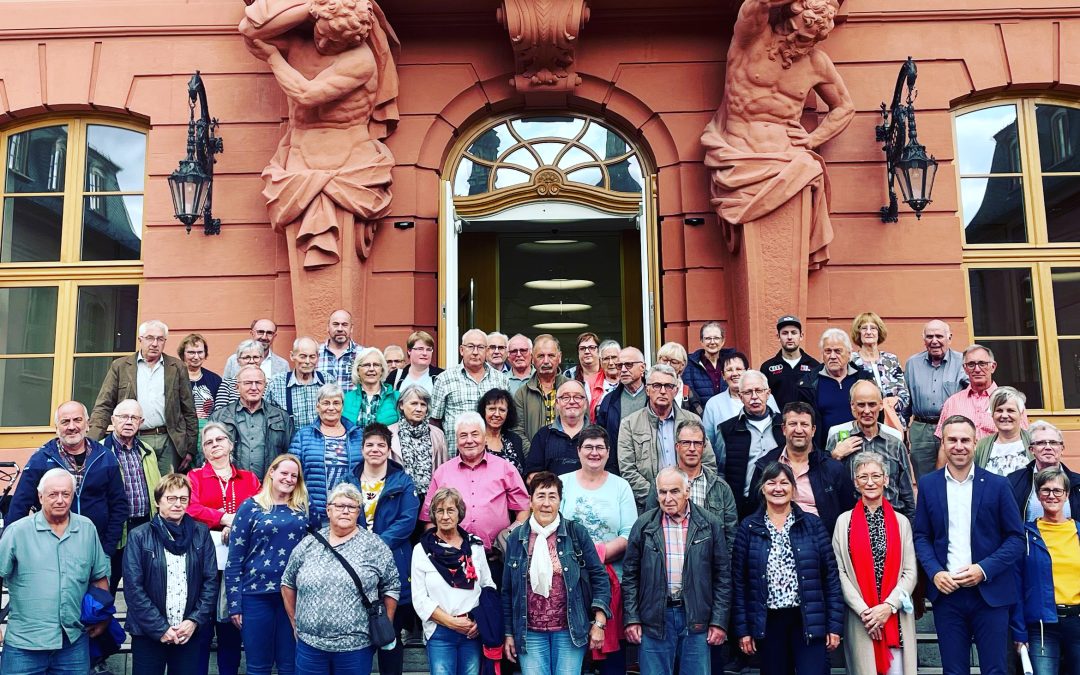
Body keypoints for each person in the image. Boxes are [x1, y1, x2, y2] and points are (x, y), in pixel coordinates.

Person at [238, 0, 398, 270]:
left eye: (333, 41)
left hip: (349, 162)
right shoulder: (299, 45)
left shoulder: (360, 61)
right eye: (320, 32)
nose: (323, 43)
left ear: (352, 41)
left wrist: (274, 58)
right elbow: (248, 29)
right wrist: (312, 6)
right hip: (297, 157)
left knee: (336, 259)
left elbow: (307, 95)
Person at [702, 0, 853, 267]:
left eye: (812, 40)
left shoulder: (817, 62)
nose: (801, 44)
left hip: (789, 160)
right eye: (799, 34)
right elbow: (759, 2)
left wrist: (814, 139)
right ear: (786, 17)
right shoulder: (751, 39)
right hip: (740, 156)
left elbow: (844, 107)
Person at [913, 414, 1025, 675]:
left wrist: (983, 569)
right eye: (952, 440)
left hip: (990, 593)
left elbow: (1016, 539)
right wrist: (935, 572)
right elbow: (921, 536)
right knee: (953, 671)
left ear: (976, 442)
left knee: (995, 670)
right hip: (947, 594)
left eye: (965, 440)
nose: (959, 446)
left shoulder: (998, 485)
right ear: (943, 443)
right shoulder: (929, 485)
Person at [731, 462, 843, 675]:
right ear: (762, 488)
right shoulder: (749, 527)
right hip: (769, 622)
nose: (778, 488)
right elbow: (739, 583)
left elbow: (830, 578)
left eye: (784, 483)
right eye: (771, 482)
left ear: (793, 488)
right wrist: (743, 630)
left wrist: (834, 626)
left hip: (808, 619)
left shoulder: (813, 524)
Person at [0, 468, 111, 675]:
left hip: (73, 643)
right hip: (24, 645)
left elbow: (99, 577)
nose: (60, 500)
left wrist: (103, 617)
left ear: (73, 496)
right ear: (40, 496)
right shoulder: (17, 532)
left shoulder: (86, 529)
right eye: (53, 494)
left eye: (65, 494)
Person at [282, 482, 402, 673]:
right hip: (310, 646)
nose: (345, 511)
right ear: (328, 510)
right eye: (339, 506)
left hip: (356, 648)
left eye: (352, 507)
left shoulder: (375, 546)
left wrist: (384, 623)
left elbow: (392, 586)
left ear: (358, 512)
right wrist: (294, 621)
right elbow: (287, 582)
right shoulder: (308, 544)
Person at [623, 467, 732, 675]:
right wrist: (632, 618)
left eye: (674, 491)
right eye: (662, 492)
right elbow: (630, 576)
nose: (668, 498)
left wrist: (719, 621)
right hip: (655, 617)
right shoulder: (643, 525)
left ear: (687, 491)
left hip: (696, 617)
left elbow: (722, 577)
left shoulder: (710, 524)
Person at [501, 472, 611, 675]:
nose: (546, 503)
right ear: (530, 501)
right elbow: (508, 591)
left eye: (552, 496)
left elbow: (599, 577)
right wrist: (508, 633)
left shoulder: (576, 533)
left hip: (569, 631)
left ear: (560, 501)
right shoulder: (516, 538)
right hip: (529, 633)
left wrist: (599, 622)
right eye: (540, 496)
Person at [831, 452, 918, 675]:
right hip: (862, 619)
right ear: (856, 482)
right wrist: (866, 613)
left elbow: (910, 573)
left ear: (886, 480)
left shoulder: (901, 522)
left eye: (876, 476)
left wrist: (888, 607)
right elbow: (839, 573)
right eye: (863, 477)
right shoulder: (843, 522)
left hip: (895, 617)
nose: (870, 482)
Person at [185, 422, 261, 675]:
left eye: (220, 440)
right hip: (203, 562)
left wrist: (237, 525)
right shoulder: (195, 477)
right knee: (203, 625)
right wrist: (223, 518)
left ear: (231, 444)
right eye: (209, 442)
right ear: (204, 450)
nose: (215, 445)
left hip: (240, 563)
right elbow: (190, 508)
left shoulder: (249, 479)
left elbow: (261, 510)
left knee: (230, 625)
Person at [7, 401, 128, 560]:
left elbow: (119, 506)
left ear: (87, 424)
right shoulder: (40, 459)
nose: (72, 427)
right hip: (49, 551)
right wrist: (12, 549)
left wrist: (107, 549)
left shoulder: (106, 457)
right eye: (65, 421)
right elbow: (19, 505)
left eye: (77, 420)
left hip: (95, 549)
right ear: (57, 427)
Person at [123, 472, 218, 675]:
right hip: (148, 634)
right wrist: (161, 628)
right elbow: (133, 588)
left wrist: (194, 621)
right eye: (171, 498)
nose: (177, 504)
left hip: (188, 632)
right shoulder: (139, 536)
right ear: (158, 502)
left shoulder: (201, 533)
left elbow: (210, 582)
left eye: (183, 499)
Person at [226, 454, 310, 675]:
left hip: (293, 595)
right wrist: (234, 604)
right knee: (258, 666)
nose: (289, 479)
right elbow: (234, 560)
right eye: (284, 473)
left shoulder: (303, 509)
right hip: (256, 595)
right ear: (271, 472)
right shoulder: (250, 507)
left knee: (290, 665)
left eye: (294, 476)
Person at [349, 423, 420, 675]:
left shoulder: (403, 481)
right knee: (357, 639)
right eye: (370, 445)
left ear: (389, 450)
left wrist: (375, 544)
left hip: (393, 564)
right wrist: (359, 545)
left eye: (381, 445)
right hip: (355, 565)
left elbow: (407, 520)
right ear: (362, 449)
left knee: (390, 636)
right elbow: (340, 516)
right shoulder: (349, 480)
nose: (375, 449)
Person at [89, 319, 198, 475]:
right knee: (137, 484)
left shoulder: (176, 367)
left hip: (169, 441)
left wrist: (190, 448)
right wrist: (92, 443)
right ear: (140, 339)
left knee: (167, 487)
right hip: (134, 439)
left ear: (165, 341)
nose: (154, 343)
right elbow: (104, 406)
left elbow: (189, 410)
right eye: (149, 338)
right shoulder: (120, 366)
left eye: (160, 339)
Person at [411, 487, 497, 675]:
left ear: (460, 513)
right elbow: (419, 598)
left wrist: (479, 620)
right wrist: (451, 622)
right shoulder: (421, 550)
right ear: (433, 515)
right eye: (439, 511)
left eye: (450, 510)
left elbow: (488, 586)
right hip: (439, 632)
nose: (445, 516)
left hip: (472, 631)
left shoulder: (475, 547)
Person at [422, 412, 531, 552]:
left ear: (485, 439)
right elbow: (428, 519)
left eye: (475, 434)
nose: (469, 440)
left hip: (496, 556)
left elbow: (523, 509)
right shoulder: (442, 472)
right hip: (452, 557)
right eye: (463, 435)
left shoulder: (505, 468)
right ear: (456, 441)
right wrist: (441, 548)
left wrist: (506, 539)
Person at [1010, 467, 1080, 675]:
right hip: (1041, 626)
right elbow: (1016, 586)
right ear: (1038, 495)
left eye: (1057, 490)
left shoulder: (1078, 531)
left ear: (1067, 495)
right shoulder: (1025, 534)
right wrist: (1019, 631)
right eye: (1046, 490)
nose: (1052, 495)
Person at [618, 364, 718, 509]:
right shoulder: (629, 424)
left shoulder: (693, 420)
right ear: (647, 389)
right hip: (649, 508)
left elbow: (708, 464)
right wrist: (660, 497)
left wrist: (686, 496)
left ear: (676, 390)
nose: (663, 391)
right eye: (657, 385)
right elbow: (628, 471)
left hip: (692, 504)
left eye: (668, 386)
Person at [748, 402, 856, 534]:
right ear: (784, 429)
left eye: (804, 424)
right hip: (774, 540)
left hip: (820, 540)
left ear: (813, 430)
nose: (798, 430)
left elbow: (848, 514)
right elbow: (753, 511)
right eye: (793, 424)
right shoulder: (765, 466)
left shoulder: (832, 468)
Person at [824, 380, 916, 519]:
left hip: (892, 519)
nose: (867, 411)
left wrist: (910, 525)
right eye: (861, 405)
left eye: (872, 404)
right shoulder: (838, 440)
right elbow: (825, 486)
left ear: (881, 405)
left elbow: (907, 493)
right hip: (852, 520)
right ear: (852, 406)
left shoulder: (895, 444)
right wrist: (834, 456)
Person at [101, 398, 162, 593]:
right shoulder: (99, 451)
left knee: (142, 588)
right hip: (114, 529)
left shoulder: (148, 451)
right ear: (113, 420)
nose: (128, 422)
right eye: (123, 417)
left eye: (134, 418)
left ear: (140, 422)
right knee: (107, 585)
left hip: (144, 527)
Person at [289, 383, 365, 524]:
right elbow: (292, 473)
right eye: (326, 403)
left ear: (342, 406)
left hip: (349, 512)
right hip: (313, 511)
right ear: (317, 406)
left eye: (336, 403)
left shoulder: (358, 435)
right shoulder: (303, 436)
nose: (331, 408)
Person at [904, 319, 967, 479]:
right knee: (924, 479)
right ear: (924, 339)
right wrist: (903, 432)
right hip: (921, 430)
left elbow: (973, 395)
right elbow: (906, 402)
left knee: (955, 476)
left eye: (939, 336)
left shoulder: (963, 362)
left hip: (953, 429)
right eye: (929, 336)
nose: (934, 341)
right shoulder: (912, 363)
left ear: (949, 338)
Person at [431, 329, 510, 455]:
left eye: (480, 347)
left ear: (486, 351)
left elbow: (507, 418)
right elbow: (435, 421)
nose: (475, 352)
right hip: (455, 455)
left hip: (492, 455)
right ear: (461, 350)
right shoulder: (444, 379)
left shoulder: (501, 380)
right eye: (471, 347)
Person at [717, 369, 785, 516]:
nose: (754, 397)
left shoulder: (783, 425)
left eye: (759, 391)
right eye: (748, 392)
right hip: (745, 506)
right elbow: (721, 472)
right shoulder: (727, 430)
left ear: (768, 393)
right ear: (740, 397)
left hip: (781, 501)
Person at [209, 365, 293, 479]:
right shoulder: (219, 417)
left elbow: (289, 456)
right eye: (248, 383)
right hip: (231, 484)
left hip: (269, 484)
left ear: (265, 386)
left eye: (258, 383)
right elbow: (208, 454)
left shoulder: (281, 417)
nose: (254, 387)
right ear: (237, 387)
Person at [795, 328, 873, 448]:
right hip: (825, 451)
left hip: (863, 448)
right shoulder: (808, 383)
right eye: (828, 351)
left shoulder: (864, 379)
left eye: (837, 351)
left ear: (849, 353)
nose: (832, 356)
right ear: (822, 354)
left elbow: (876, 415)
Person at [936, 344, 1028, 441]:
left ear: (993, 367)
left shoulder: (1012, 401)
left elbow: (1024, 438)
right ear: (965, 369)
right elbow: (943, 443)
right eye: (971, 364)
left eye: (982, 364)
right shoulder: (952, 403)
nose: (977, 369)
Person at [527, 380, 612, 477]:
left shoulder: (600, 435)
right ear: (557, 403)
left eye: (578, 397)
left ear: (585, 403)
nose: (572, 401)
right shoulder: (543, 435)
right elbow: (531, 475)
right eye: (565, 397)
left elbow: (611, 472)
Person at [389, 385, 450, 506]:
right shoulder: (389, 433)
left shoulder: (438, 435)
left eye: (423, 405)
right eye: (414, 403)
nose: (419, 409)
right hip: (399, 500)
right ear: (401, 405)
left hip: (431, 501)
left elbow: (444, 470)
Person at [1006, 421, 1080, 520]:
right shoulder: (1013, 481)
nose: (1048, 447)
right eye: (1041, 443)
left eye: (1053, 442)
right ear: (1031, 450)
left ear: (1062, 449)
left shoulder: (1077, 483)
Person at [848, 311, 910, 428]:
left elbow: (905, 396)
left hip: (893, 424)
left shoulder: (891, 360)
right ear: (858, 333)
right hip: (863, 424)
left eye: (873, 328)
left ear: (879, 332)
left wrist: (890, 404)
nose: (868, 332)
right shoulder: (851, 361)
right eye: (864, 328)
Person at [512, 334, 569, 453]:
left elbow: (584, 425)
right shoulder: (522, 393)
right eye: (541, 356)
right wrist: (534, 456)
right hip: (533, 459)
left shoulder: (573, 389)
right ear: (533, 359)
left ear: (559, 357)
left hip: (568, 458)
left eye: (551, 356)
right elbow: (517, 431)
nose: (546, 361)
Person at [702, 351, 779, 437]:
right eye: (729, 370)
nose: (734, 374)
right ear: (723, 375)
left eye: (739, 369)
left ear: (747, 371)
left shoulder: (766, 397)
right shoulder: (713, 404)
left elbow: (778, 427)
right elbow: (707, 439)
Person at [266, 336, 329, 430]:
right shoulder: (276, 383)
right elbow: (266, 417)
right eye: (302, 356)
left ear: (318, 357)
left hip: (322, 437)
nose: (307, 361)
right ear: (292, 356)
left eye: (312, 357)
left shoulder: (328, 381)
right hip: (289, 438)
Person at [759, 315, 821, 410]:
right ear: (778, 337)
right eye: (785, 333)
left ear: (801, 336)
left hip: (806, 419)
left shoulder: (814, 366)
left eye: (793, 333)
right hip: (778, 419)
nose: (789, 337)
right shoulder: (767, 368)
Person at [971, 386, 1031, 475]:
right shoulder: (981, 446)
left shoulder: (1034, 441)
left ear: (1021, 414)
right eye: (999, 410)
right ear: (992, 415)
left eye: (1010, 410)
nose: (1004, 415)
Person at [595, 346, 648, 447]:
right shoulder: (609, 400)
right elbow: (601, 436)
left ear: (642, 367)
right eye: (619, 365)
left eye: (628, 365)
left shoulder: (653, 397)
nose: (623, 370)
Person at [343, 346, 400, 429]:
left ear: (382, 370)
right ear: (358, 370)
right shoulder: (346, 399)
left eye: (376, 365)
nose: (371, 369)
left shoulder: (397, 397)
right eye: (366, 365)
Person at [178, 333, 222, 435]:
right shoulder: (175, 378)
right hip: (182, 433)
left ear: (205, 354)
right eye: (191, 352)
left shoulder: (215, 379)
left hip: (208, 433)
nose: (196, 357)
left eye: (200, 352)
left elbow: (220, 410)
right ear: (183, 354)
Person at [684, 321, 737, 405]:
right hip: (701, 412)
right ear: (701, 341)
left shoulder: (733, 362)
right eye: (708, 338)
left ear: (723, 341)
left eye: (716, 338)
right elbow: (691, 396)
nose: (712, 342)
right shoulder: (690, 365)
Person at [478, 388, 526, 475]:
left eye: (502, 410)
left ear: (508, 413)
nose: (497, 414)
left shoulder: (515, 440)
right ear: (483, 411)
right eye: (492, 409)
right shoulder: (473, 440)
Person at [222, 318, 290, 380]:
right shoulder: (233, 360)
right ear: (252, 333)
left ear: (274, 336)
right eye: (260, 332)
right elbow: (225, 386)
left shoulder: (283, 365)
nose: (264, 337)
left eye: (269, 333)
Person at [213, 340, 266, 411]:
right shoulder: (227, 384)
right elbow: (219, 412)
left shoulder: (268, 384)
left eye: (256, 357)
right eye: (246, 357)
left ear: (262, 359)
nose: (251, 361)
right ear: (238, 361)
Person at [318, 309, 363, 391]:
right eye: (335, 324)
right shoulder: (315, 354)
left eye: (344, 325)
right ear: (328, 327)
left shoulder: (363, 354)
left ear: (351, 328)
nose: (340, 329)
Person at [656, 341, 704, 417]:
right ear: (658, 360)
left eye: (673, 362)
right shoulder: (649, 387)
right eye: (664, 360)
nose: (668, 365)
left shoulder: (688, 393)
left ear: (682, 365)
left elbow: (700, 419)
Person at [590, 340, 622, 422]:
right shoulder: (590, 384)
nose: (611, 363)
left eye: (614, 357)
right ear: (600, 362)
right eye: (606, 359)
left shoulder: (629, 380)